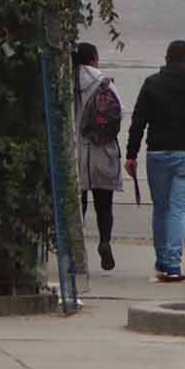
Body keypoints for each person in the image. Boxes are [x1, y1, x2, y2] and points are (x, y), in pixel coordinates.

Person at [125, 40, 185, 283]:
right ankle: (173, 265)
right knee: (179, 209)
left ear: (166, 58)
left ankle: (163, 261)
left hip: (158, 154)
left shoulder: (152, 83)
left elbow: (138, 121)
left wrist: (131, 154)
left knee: (162, 208)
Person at [73, 42, 123, 271]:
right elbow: (118, 112)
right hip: (102, 148)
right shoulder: (104, 83)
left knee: (76, 203)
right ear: (94, 59)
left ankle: (76, 250)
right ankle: (104, 241)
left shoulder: (66, 82)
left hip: (74, 151)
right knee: (104, 204)